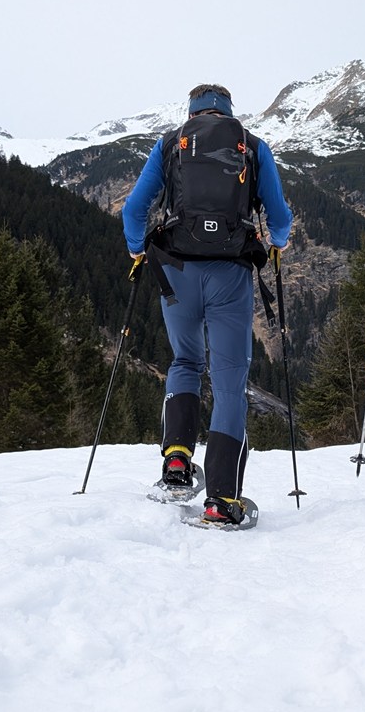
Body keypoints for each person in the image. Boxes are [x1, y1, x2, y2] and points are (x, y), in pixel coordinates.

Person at [122, 84, 293, 527]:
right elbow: (280, 216)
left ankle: (177, 465)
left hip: (176, 271)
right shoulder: (252, 147)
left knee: (185, 360)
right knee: (229, 380)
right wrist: (275, 243)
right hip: (230, 273)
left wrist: (139, 250)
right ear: (229, 110)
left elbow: (134, 208)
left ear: (192, 110)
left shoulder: (170, 145)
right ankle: (221, 499)